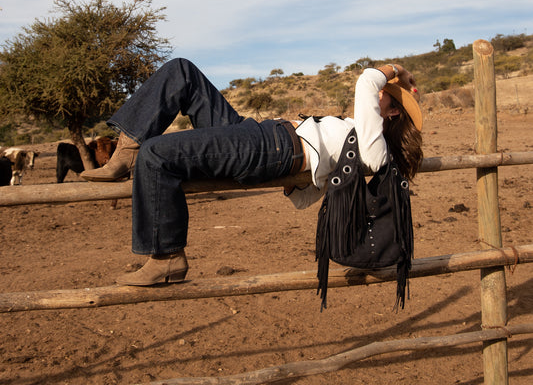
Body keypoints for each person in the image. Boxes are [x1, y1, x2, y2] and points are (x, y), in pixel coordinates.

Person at [81, 58, 423, 286]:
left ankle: (166, 256)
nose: (380, 93)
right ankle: (126, 150)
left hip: (271, 147)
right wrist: (293, 183)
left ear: (392, 114)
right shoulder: (355, 131)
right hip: (259, 135)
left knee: (156, 153)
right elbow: (308, 195)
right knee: (181, 71)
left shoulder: (376, 150)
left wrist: (398, 69)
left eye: (387, 96)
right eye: (385, 90)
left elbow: (367, 80)